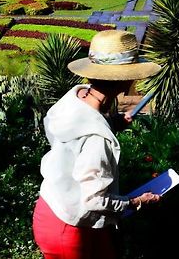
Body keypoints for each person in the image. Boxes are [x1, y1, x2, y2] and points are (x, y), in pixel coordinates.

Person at [33, 29, 162, 259]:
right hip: (71, 227)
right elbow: (93, 199)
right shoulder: (97, 139)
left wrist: (111, 123)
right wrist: (136, 202)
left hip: (53, 210)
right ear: (124, 81)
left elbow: (71, 136)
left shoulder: (75, 97)